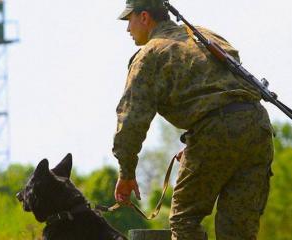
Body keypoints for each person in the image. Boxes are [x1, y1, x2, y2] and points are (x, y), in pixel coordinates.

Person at [112, 0, 274, 239]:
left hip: (215, 130)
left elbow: (131, 120)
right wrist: (199, 143)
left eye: (129, 20)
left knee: (184, 220)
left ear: (144, 17)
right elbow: (224, 84)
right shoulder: (205, 35)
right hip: (257, 126)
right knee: (238, 231)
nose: (128, 29)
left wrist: (126, 173)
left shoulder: (150, 55)